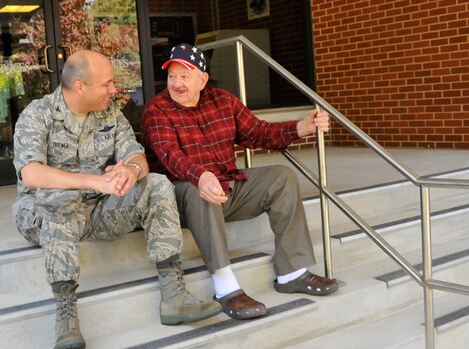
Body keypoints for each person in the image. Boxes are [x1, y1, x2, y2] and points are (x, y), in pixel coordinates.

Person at [12, 50, 222, 349]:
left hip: (98, 210)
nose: (114, 90)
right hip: (44, 214)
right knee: (58, 197)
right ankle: (66, 314)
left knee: (157, 184)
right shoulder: (38, 114)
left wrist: (131, 169)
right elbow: (31, 174)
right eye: (108, 84)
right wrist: (94, 181)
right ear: (81, 86)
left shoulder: (109, 112)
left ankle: (173, 294)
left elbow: (137, 154)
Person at [141, 43, 338, 321]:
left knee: (282, 177)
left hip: (228, 188)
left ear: (202, 79)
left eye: (185, 76)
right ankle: (225, 286)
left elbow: (259, 133)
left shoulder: (223, 100)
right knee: (200, 189)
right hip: (184, 200)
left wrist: (300, 128)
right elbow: (169, 156)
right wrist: (201, 176)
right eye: (172, 76)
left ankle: (292, 272)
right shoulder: (157, 109)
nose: (177, 83)